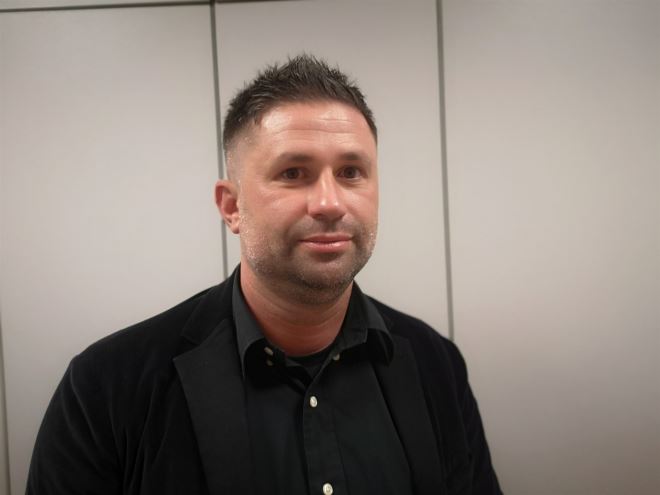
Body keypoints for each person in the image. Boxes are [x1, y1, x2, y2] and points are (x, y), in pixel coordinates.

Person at [27, 55, 502, 495]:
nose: (330, 203)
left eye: (351, 172)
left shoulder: (436, 363)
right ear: (231, 206)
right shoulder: (106, 387)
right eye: (293, 172)